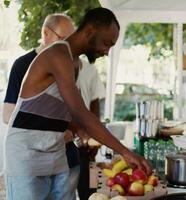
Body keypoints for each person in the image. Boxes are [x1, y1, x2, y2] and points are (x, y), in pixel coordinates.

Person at [4, 7, 150, 200]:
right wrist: (124, 151)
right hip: (27, 156)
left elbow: (65, 112)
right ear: (90, 31)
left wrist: (81, 132)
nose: (106, 52)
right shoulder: (58, 54)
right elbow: (81, 112)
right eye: (106, 43)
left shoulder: (74, 62)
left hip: (54, 153)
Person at [2, 13, 82, 200]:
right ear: (46, 33)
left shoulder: (73, 63)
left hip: (66, 158)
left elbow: (75, 110)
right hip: (32, 162)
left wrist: (74, 130)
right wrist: (50, 133)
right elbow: (7, 114)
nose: (68, 47)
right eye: (63, 39)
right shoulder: (22, 65)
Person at [75, 59, 106, 200]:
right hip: (62, 139)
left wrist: (94, 137)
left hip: (84, 142)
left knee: (87, 188)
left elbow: (95, 105)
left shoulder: (90, 70)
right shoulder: (54, 66)